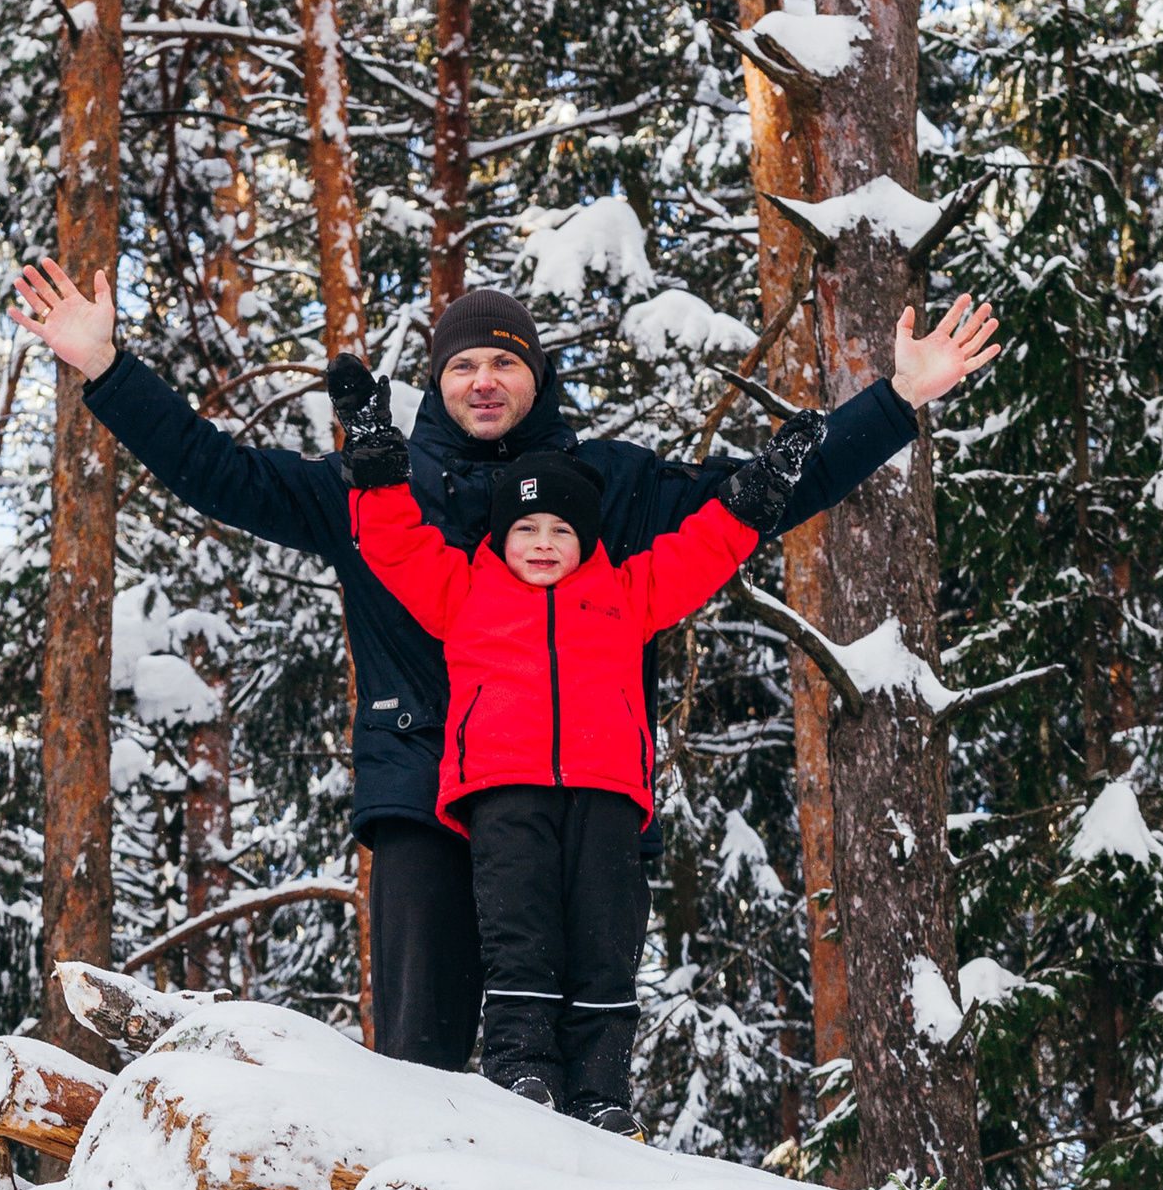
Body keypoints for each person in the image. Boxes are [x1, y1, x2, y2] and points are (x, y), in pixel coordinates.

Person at [2, 256, 991, 1069]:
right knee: (420, 1065)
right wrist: (108, 370)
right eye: (464, 363)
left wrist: (896, 400)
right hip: (422, 794)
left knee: (578, 1051)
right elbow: (217, 471)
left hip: (576, 801)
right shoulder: (374, 490)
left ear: (536, 378)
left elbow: (762, 494)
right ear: (437, 381)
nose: (484, 380)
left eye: (505, 362)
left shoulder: (610, 488)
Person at [327, 352, 811, 1121]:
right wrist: (376, 458)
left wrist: (753, 499)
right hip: (503, 793)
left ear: (586, 538)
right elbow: (396, 544)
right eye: (526, 528)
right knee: (518, 938)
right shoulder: (465, 592)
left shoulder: (627, 593)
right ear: (501, 536)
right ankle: (522, 1072)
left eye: (561, 529)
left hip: (607, 794)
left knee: (604, 943)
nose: (544, 542)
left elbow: (698, 555)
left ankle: (601, 1093)